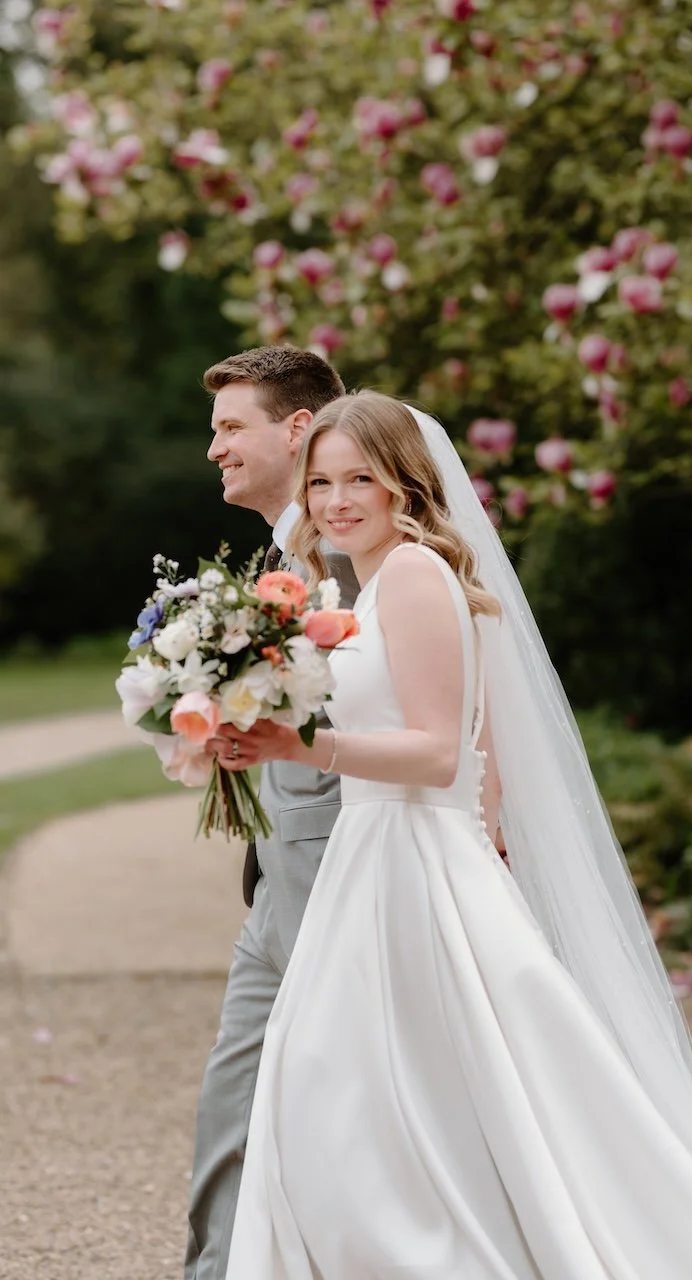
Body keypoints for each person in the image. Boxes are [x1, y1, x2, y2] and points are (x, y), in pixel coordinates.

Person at [215, 390, 692, 1279]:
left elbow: (441, 754)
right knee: (367, 1086)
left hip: (415, 864)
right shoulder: (366, 585)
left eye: (361, 478)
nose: (336, 500)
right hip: (376, 858)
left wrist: (300, 745)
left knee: (360, 1085)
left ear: (406, 482)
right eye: (322, 482)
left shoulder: (411, 574)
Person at [185, 345, 360, 1280]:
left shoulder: (353, 550)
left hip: (347, 874)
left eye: (229, 427)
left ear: (297, 429)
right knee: (237, 1097)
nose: (213, 448)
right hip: (280, 882)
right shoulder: (282, 553)